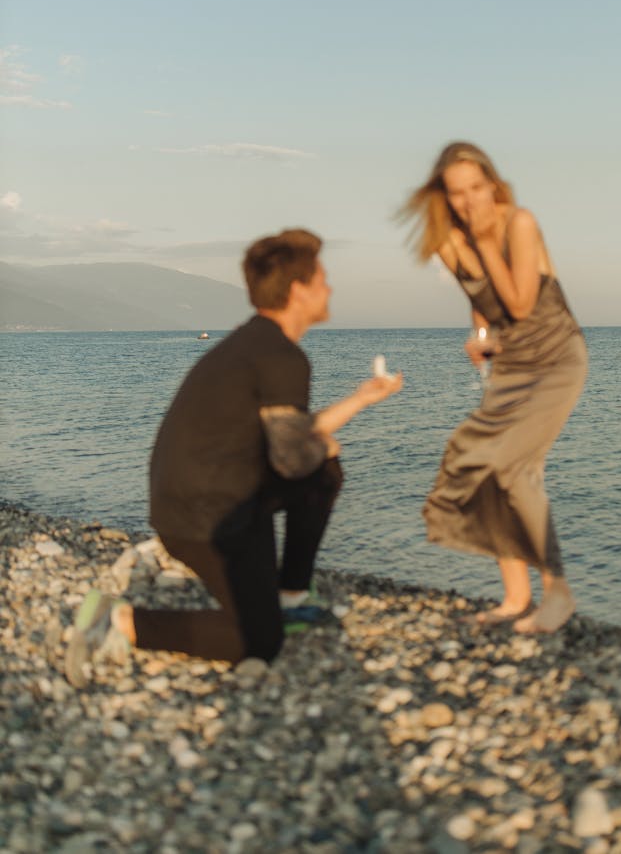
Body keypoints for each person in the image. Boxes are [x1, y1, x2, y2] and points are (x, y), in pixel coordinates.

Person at [65, 229, 402, 685]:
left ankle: (288, 595)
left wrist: (361, 400)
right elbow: (291, 457)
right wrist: (322, 447)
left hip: (190, 504)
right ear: (299, 290)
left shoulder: (250, 344)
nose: (330, 288)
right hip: (211, 519)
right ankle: (121, 621)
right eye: (323, 279)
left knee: (323, 466)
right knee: (259, 642)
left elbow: (287, 436)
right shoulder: (283, 358)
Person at [401, 142, 587, 634]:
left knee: (513, 468)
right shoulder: (447, 241)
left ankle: (558, 594)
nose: (468, 201)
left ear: (493, 184)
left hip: (556, 358)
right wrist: (481, 335)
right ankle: (516, 596)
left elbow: (523, 304)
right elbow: (482, 298)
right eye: (456, 192)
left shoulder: (517, 224)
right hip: (511, 365)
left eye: (476, 188)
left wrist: (485, 242)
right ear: (443, 195)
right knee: (481, 464)